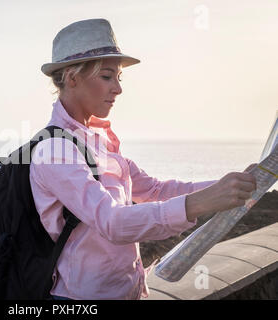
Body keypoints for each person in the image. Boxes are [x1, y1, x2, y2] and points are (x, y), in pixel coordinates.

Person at [29, 18, 257, 300]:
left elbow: (156, 190)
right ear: (72, 78)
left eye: (119, 78)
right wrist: (203, 202)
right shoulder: (55, 151)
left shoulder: (98, 140)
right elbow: (112, 221)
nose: (118, 89)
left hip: (129, 291)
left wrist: (231, 186)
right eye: (106, 76)